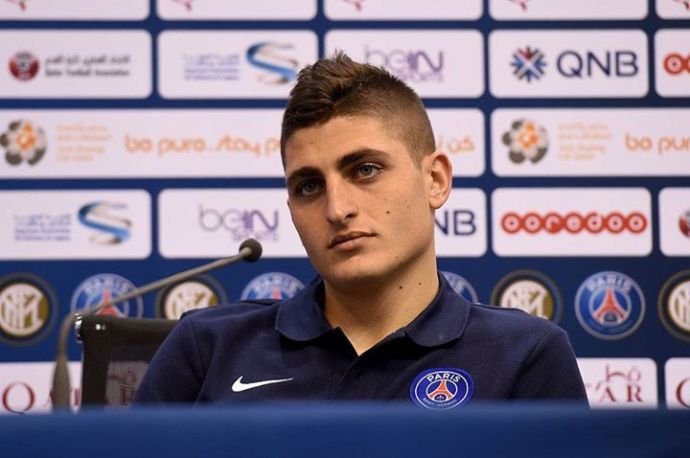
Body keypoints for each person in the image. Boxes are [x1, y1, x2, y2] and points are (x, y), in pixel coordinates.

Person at [135, 52, 587, 408]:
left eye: (365, 170)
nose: (337, 209)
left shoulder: (525, 355)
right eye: (309, 186)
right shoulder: (207, 348)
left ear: (435, 180)